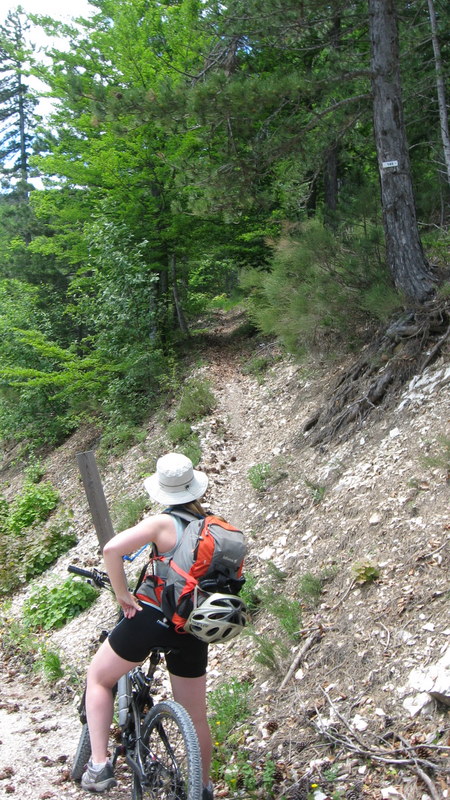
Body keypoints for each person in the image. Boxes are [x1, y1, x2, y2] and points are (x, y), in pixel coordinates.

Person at [80, 452, 214, 799]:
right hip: (193, 627)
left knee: (99, 677)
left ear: (163, 492)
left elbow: (112, 550)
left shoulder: (161, 524)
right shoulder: (212, 526)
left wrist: (124, 595)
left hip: (153, 617)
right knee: (196, 716)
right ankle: (202, 787)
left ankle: (98, 766)